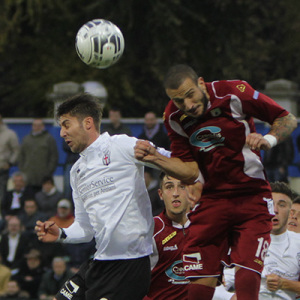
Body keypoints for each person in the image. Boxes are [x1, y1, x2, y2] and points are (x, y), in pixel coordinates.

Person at [134, 64, 298, 300]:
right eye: (179, 101)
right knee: (200, 277)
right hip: (211, 200)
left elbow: (286, 118)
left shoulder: (234, 92)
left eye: (190, 94)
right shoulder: (174, 117)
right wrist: (156, 158)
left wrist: (267, 140)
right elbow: (189, 171)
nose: (188, 105)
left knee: (248, 271)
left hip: (250, 196)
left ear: (201, 83)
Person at [35, 93, 170, 300]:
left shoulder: (121, 145)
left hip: (130, 263)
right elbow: (86, 229)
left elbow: (170, 160)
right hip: (99, 261)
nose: (62, 133)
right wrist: (62, 234)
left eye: (66, 125)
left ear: (87, 123)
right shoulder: (76, 171)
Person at [144, 172, 192, 300]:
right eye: (169, 187)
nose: (175, 193)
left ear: (191, 192)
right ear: (161, 194)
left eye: (182, 187)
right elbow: (134, 281)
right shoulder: (150, 229)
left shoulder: (205, 227)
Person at [259, 181, 300, 299]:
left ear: (289, 212)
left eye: (282, 205)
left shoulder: (297, 243)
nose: (275, 210)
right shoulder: (245, 238)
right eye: (271, 204)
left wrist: (283, 283)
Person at [18, 118, 58, 193]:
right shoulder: (26, 139)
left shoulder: (49, 139)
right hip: (28, 177)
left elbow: (53, 156)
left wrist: (48, 171)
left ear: (43, 126)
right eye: (35, 125)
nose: (37, 127)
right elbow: (21, 155)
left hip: (43, 177)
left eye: (39, 125)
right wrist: (23, 170)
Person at [0, 114, 20, 212]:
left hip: (3, 169)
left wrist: (10, 163)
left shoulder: (10, 134)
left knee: (3, 195)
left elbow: (16, 150)